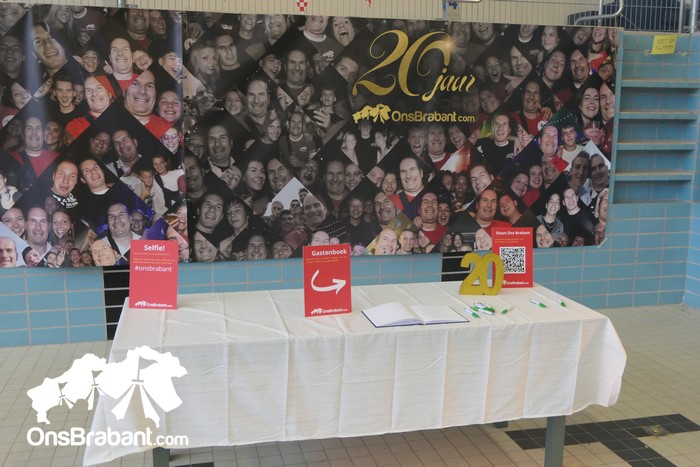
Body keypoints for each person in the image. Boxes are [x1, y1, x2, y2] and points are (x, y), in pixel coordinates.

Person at [9, 116, 59, 191]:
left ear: (43, 134)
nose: (34, 133)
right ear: (23, 134)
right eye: (29, 128)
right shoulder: (10, 158)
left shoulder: (57, 158)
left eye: (38, 128)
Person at [123, 70, 171, 138]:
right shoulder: (109, 123)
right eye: (135, 84)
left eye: (149, 86)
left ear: (155, 93)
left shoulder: (167, 129)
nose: (143, 91)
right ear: (124, 92)